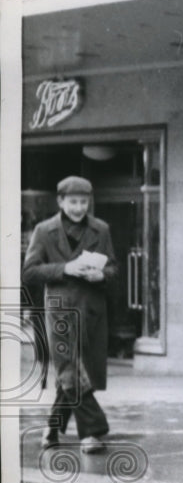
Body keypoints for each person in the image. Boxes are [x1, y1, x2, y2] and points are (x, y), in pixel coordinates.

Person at [23, 176, 117, 454]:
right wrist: (65, 269)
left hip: (92, 311)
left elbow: (113, 269)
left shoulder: (101, 229)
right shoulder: (44, 230)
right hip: (60, 312)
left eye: (84, 202)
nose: (78, 208)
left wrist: (102, 274)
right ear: (61, 201)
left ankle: (52, 427)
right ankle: (93, 431)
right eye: (73, 202)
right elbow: (29, 272)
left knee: (75, 371)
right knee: (70, 369)